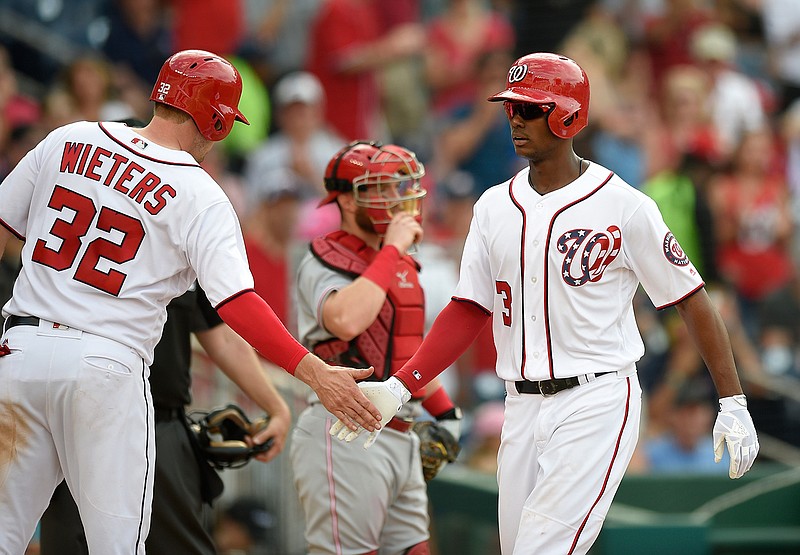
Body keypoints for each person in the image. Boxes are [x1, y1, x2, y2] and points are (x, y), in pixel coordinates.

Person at [329, 53, 760, 555]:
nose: (514, 118)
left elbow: (692, 299)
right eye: (511, 107)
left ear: (569, 115)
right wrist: (403, 387)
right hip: (521, 404)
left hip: (596, 398)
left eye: (529, 108)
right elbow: (469, 308)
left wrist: (733, 400)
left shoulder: (624, 204)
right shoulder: (492, 205)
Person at [0, 49, 382, 554]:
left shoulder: (69, 138)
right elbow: (238, 305)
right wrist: (314, 373)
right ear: (219, 120)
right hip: (105, 367)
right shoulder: (199, 191)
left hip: (20, 353)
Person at [291, 141, 463, 554]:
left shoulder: (401, 262)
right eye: (382, 189)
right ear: (348, 200)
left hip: (402, 431)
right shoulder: (323, 257)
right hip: (345, 430)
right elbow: (347, 319)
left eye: (401, 187)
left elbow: (404, 353)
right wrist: (392, 249)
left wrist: (445, 413)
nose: (400, 200)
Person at [37, 284, 291, 554]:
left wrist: (277, 407)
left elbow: (220, 335)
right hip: (79, 422)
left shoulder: (190, 245)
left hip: (162, 426)